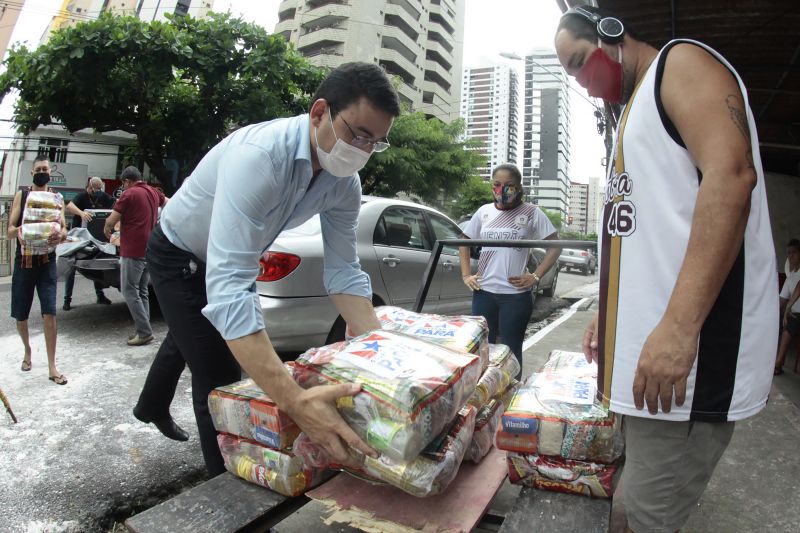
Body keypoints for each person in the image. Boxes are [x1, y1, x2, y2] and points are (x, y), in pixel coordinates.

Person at [554, 5, 777, 532]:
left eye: (581, 63)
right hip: (645, 370)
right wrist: (607, 318)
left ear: (612, 35)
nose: (585, 83)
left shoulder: (681, 64)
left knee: (653, 517)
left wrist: (678, 328)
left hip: (686, 371)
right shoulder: (632, 113)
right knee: (633, 504)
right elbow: (644, 236)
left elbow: (731, 176)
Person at [132, 62, 400, 475]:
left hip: (229, 258)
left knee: (193, 334)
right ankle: (228, 494)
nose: (363, 151)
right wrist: (295, 402)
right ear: (319, 112)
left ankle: (150, 405)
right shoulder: (259, 157)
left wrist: (387, 360)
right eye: (358, 134)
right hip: (178, 254)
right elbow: (229, 293)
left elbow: (344, 272)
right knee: (221, 379)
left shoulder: (343, 182)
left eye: (376, 143)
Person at [458, 163, 560, 378]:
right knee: (482, 349)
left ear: (519, 187)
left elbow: (555, 246)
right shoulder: (483, 212)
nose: (502, 190)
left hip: (515, 297)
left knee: (511, 351)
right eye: (497, 184)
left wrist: (535, 276)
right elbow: (464, 242)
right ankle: (484, 396)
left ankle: (511, 397)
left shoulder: (532, 212)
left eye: (509, 185)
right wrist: (466, 274)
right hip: (483, 292)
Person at [7, 155, 68, 385]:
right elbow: (10, 229)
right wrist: (22, 231)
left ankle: (52, 366)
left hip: (47, 262)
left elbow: (63, 229)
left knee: (50, 312)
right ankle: (27, 350)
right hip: (24, 263)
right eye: (38, 169)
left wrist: (59, 234)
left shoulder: (56, 197)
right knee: (20, 314)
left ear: (50, 172)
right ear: (32, 173)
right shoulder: (22, 196)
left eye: (45, 169)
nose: (42, 172)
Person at [103, 166, 167, 346]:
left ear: (126, 181)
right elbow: (169, 202)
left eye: (123, 184)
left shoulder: (128, 194)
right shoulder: (153, 192)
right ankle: (144, 329)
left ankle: (144, 332)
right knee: (142, 290)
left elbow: (112, 219)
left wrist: (107, 227)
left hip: (133, 249)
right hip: (149, 249)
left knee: (129, 290)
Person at [63, 176, 115, 309]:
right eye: (96, 189)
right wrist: (81, 213)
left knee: (96, 267)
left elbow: (116, 204)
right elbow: (69, 205)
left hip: (95, 238)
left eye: (100, 189)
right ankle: (67, 300)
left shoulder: (103, 197)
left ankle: (100, 295)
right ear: (90, 187)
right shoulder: (82, 196)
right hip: (78, 237)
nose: (98, 191)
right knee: (72, 267)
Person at [774, 239, 800, 374]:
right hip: (792, 314)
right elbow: (782, 300)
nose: (791, 256)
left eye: (794, 252)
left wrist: (787, 309)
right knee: (773, 322)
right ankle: (773, 358)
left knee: (790, 322)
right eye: (789, 253)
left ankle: (777, 365)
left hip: (796, 314)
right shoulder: (791, 277)